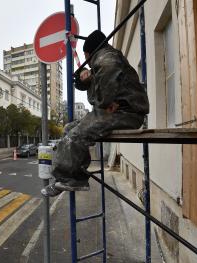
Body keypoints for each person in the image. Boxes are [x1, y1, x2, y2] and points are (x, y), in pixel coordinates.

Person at [42, 30, 149, 197]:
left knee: (76, 135)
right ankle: (77, 172)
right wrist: (88, 81)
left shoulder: (105, 57)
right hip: (120, 111)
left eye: (86, 56)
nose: (86, 61)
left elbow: (107, 72)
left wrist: (106, 102)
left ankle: (70, 178)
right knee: (70, 128)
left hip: (127, 113)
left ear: (90, 52)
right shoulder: (104, 58)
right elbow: (94, 88)